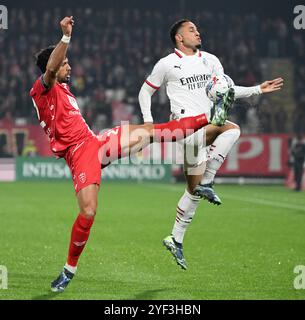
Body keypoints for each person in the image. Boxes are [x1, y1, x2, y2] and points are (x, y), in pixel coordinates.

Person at [29, 16, 232, 293]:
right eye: (65, 63)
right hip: (78, 155)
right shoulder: (44, 88)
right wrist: (65, 37)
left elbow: (57, 71)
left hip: (94, 143)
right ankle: (68, 270)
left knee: (148, 132)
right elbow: (52, 67)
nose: (69, 66)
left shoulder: (64, 90)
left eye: (67, 62)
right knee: (88, 212)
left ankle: (205, 117)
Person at [138, 19, 284, 270]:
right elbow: (145, 91)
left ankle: (175, 238)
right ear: (179, 38)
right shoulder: (167, 64)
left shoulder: (212, 60)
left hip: (201, 132)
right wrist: (149, 122)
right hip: (186, 128)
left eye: (197, 29)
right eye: (191, 30)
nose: (197, 32)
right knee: (232, 128)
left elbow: (226, 90)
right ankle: (209, 179)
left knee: (193, 192)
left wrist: (257, 89)